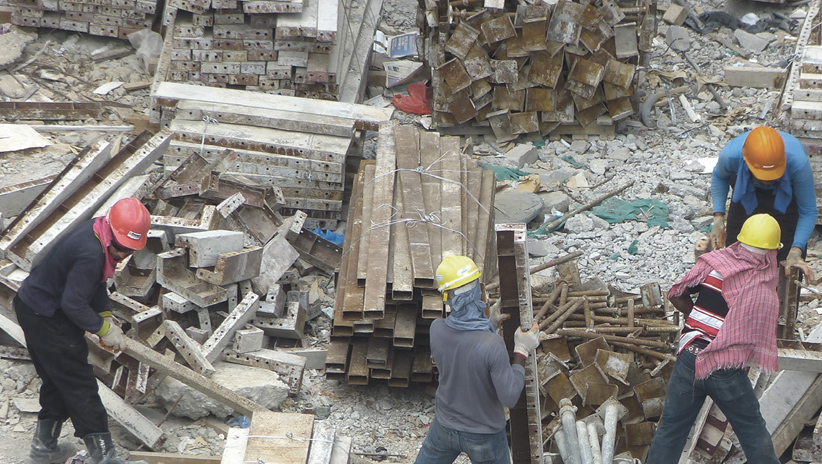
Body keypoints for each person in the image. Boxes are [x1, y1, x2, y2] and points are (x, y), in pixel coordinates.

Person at [14, 197, 151, 464]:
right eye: (122, 247)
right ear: (113, 232)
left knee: (58, 380)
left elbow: (96, 281)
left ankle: (44, 451)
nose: (123, 255)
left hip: (34, 308)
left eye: (130, 250)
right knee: (80, 384)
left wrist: (105, 315)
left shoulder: (98, 231)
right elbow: (73, 303)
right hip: (47, 317)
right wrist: (103, 330)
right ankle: (104, 458)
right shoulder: (91, 253)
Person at [646, 214, 783, 464]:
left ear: (740, 242)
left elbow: (676, 294)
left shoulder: (715, 263)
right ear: (771, 252)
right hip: (725, 368)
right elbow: (755, 332)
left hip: (690, 357)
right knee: (752, 430)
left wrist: (696, 317)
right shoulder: (762, 286)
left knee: (671, 430)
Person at [414, 255, 541, 464]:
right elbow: (509, 397)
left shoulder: (436, 329)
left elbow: (464, 348)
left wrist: (488, 323)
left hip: (445, 427)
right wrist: (521, 350)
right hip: (485, 435)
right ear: (476, 292)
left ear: (447, 297)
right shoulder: (492, 344)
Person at [710, 125, 817, 277]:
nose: (767, 182)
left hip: (785, 194)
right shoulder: (731, 156)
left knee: (786, 256)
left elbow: (808, 211)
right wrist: (719, 217)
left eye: (772, 175)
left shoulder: (797, 164)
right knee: (737, 245)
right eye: (762, 177)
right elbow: (720, 176)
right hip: (746, 191)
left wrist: (796, 250)